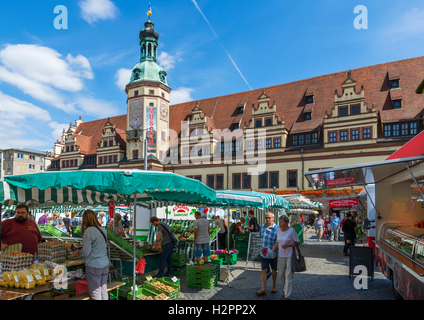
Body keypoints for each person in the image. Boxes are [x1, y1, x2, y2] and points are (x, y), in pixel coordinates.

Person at [71, 210, 109, 300]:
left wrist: (78, 253)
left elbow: (86, 252)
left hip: (94, 265)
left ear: (85, 219)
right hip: (104, 264)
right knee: (103, 290)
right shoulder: (103, 229)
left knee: (95, 292)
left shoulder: (89, 231)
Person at [272, 215, 300, 300]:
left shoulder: (291, 231)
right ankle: (285, 289)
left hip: (290, 256)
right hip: (280, 256)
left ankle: (287, 295)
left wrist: (289, 244)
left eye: (281, 222)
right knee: (281, 274)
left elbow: (298, 242)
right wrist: (271, 251)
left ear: (286, 222)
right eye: (279, 222)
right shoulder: (278, 231)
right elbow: (277, 242)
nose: (279, 223)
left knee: (288, 275)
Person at [255, 212, 279, 296]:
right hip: (264, 253)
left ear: (273, 218)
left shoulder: (277, 228)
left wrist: (272, 250)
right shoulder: (262, 227)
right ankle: (263, 289)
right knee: (264, 270)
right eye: (266, 218)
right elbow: (261, 237)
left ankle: (273, 285)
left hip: (273, 254)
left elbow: (278, 241)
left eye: (269, 218)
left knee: (274, 270)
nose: (267, 219)